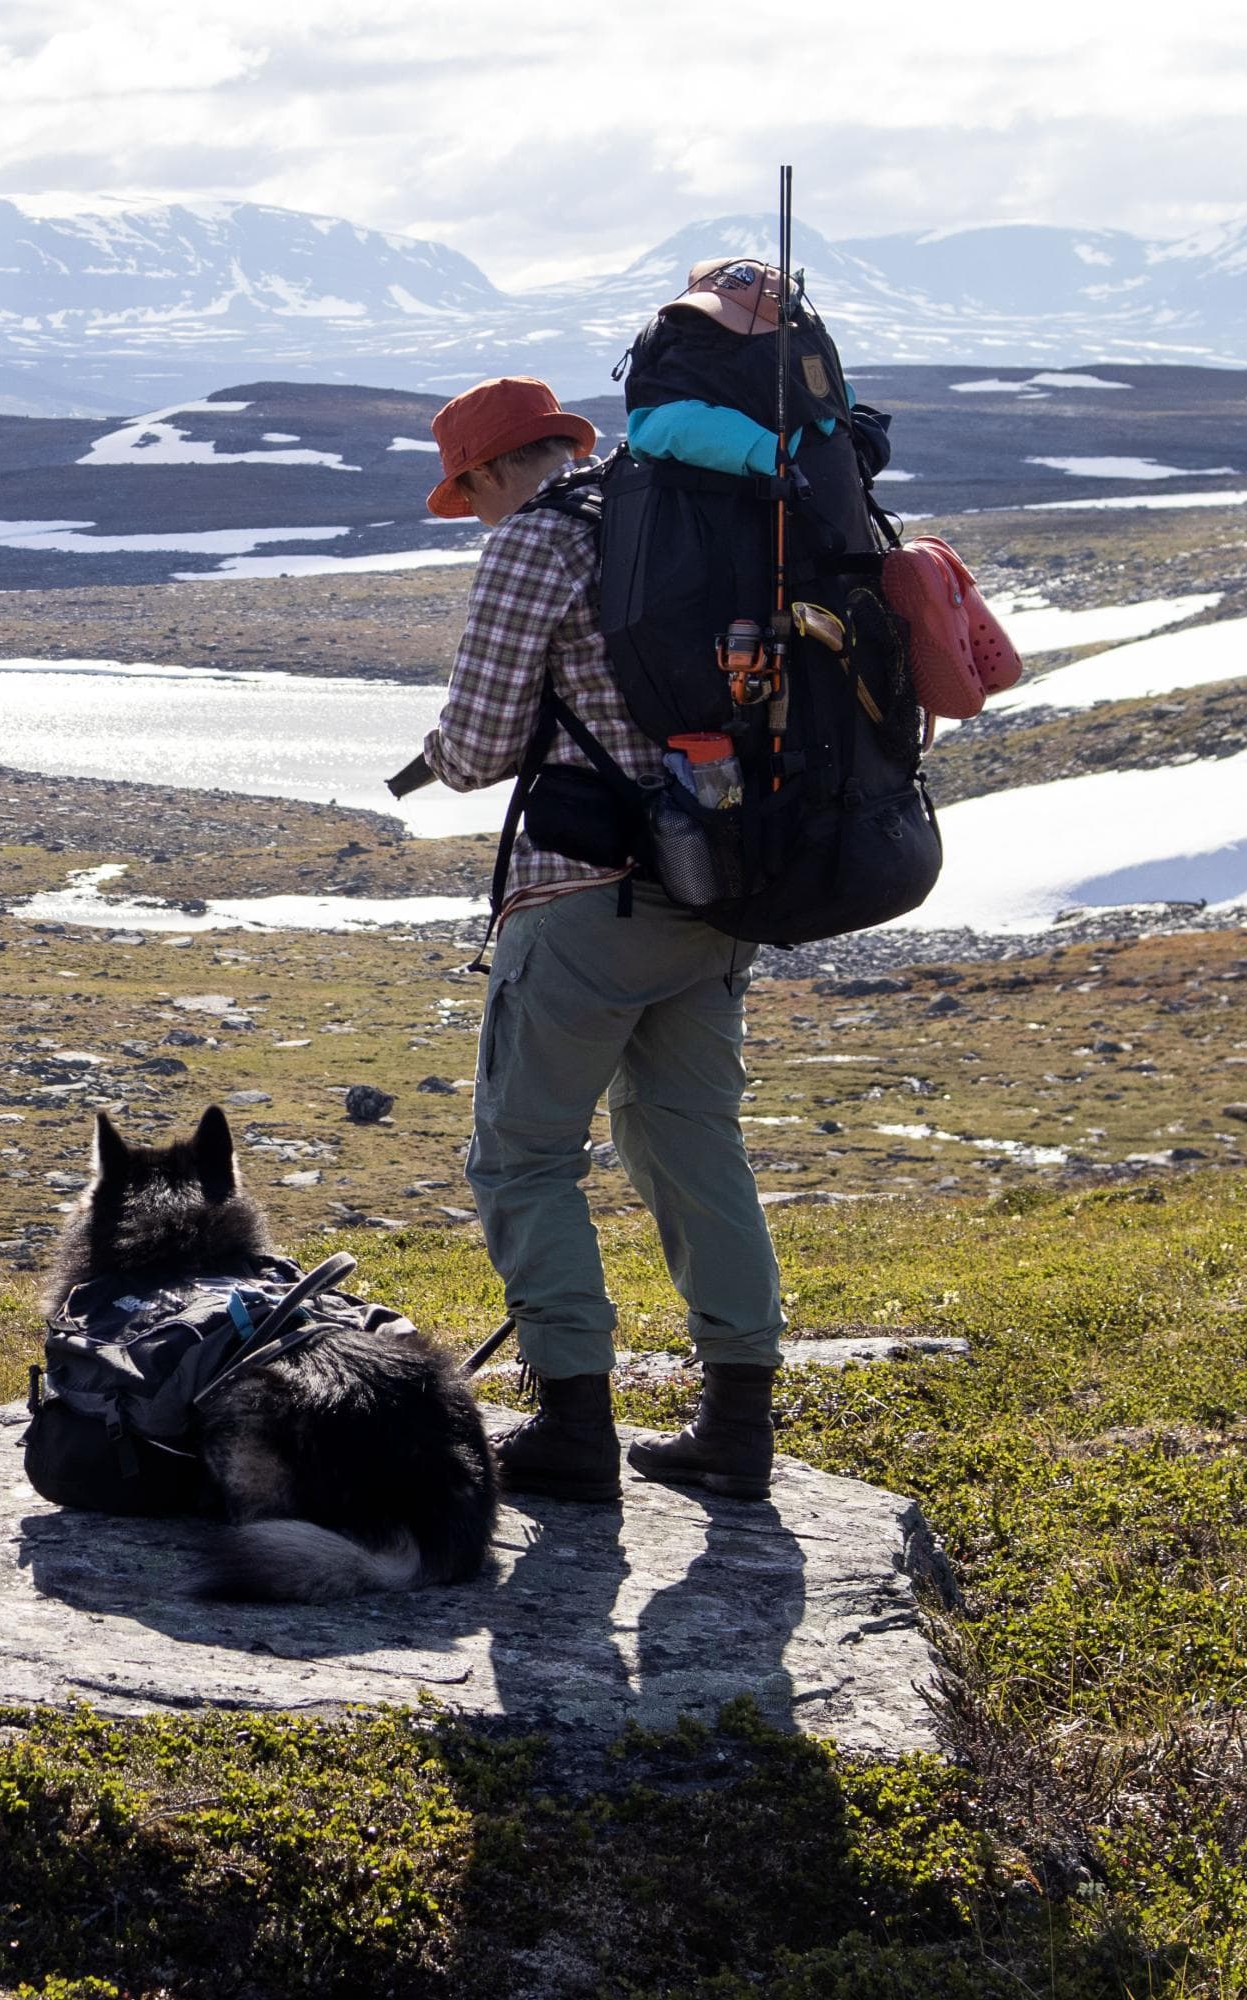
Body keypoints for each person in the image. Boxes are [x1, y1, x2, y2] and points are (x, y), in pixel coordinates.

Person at [410, 375, 784, 1505]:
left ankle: (573, 1419)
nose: (471, 513)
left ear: (487, 472)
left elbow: (476, 747)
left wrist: (439, 742)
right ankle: (735, 1421)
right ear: (569, 440)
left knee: (522, 1155)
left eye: (465, 492)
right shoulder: (684, 520)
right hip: (713, 883)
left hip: (584, 893)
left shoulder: (534, 540)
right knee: (691, 1142)